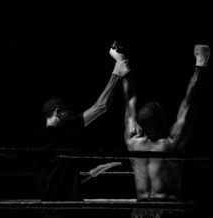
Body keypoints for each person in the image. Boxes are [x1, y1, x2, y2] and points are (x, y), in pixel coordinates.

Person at [33, 41, 130, 217]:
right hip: (68, 213)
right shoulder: (66, 129)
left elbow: (57, 183)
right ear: (58, 112)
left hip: (46, 212)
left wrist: (93, 172)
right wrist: (118, 68)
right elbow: (102, 106)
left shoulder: (36, 141)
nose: (72, 117)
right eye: (69, 114)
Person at [121, 44, 210, 218]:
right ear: (163, 122)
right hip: (167, 210)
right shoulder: (171, 144)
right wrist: (201, 63)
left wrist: (122, 62)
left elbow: (129, 99)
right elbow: (189, 104)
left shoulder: (132, 140)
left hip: (140, 211)